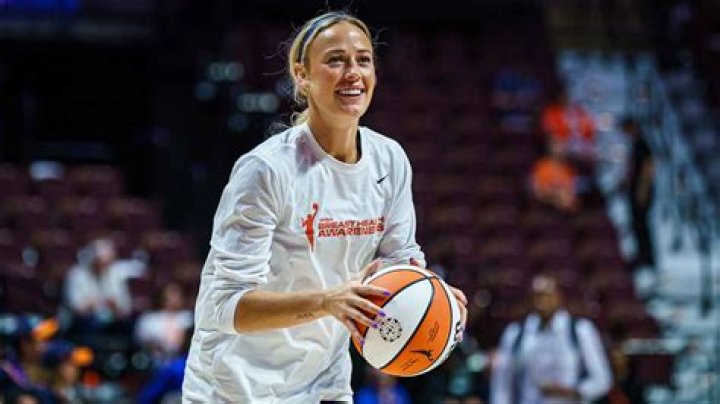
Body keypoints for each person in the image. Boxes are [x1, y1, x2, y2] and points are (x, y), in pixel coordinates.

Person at [182, 11, 467, 403]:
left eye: (363, 60)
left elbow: (398, 259)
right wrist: (326, 301)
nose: (353, 73)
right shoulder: (266, 169)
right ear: (302, 75)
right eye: (336, 60)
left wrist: (434, 295)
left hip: (322, 382)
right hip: (236, 386)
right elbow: (225, 308)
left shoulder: (390, 159)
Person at [490, 274, 611, 404]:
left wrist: (572, 392)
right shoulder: (515, 333)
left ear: (558, 297)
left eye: (546, 295)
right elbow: (502, 384)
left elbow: (602, 379)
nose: (540, 301)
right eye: (536, 296)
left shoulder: (580, 330)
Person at [63, 238, 140, 329]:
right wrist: (93, 304)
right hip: (82, 321)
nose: (103, 266)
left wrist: (114, 306)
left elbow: (125, 309)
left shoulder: (116, 274)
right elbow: (76, 308)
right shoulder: (77, 274)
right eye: (99, 262)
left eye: (107, 262)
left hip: (111, 320)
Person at [621, 118, 656, 269]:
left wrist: (643, 190)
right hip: (636, 189)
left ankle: (646, 256)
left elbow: (648, 167)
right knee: (637, 224)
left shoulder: (642, 144)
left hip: (641, 190)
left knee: (641, 225)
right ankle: (643, 255)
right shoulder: (635, 144)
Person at [134, 282, 193, 359]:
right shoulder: (149, 318)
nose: (174, 299)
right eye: (171, 295)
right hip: (153, 358)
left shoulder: (188, 317)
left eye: (177, 295)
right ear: (162, 297)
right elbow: (141, 340)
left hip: (182, 358)